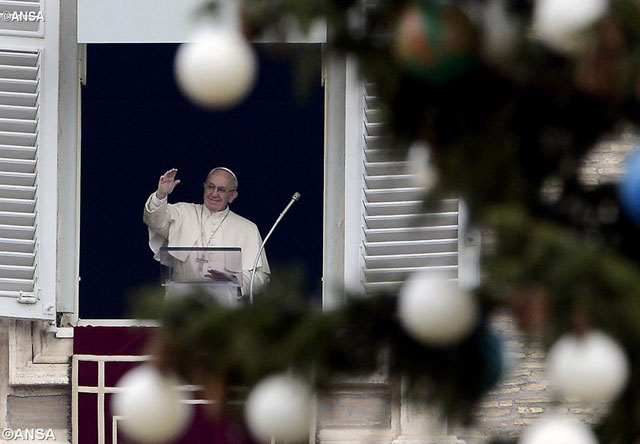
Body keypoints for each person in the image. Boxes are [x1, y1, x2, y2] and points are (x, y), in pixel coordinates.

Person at [143, 167, 270, 300]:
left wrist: (235, 278)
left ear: (232, 196)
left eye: (221, 190)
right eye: (210, 187)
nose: (214, 194)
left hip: (224, 306)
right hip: (181, 302)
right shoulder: (182, 212)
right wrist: (161, 195)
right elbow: (154, 221)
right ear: (204, 187)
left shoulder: (247, 228)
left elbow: (261, 278)